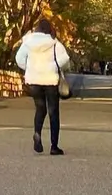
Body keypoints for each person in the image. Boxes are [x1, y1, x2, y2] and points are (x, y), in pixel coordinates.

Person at [15, 17, 71, 155]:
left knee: (40, 109)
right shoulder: (54, 43)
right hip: (50, 79)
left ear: (37, 29)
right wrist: (57, 67)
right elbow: (65, 59)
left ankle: (37, 134)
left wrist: (28, 68)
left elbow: (19, 59)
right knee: (53, 112)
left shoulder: (28, 42)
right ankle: (54, 146)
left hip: (34, 80)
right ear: (49, 29)